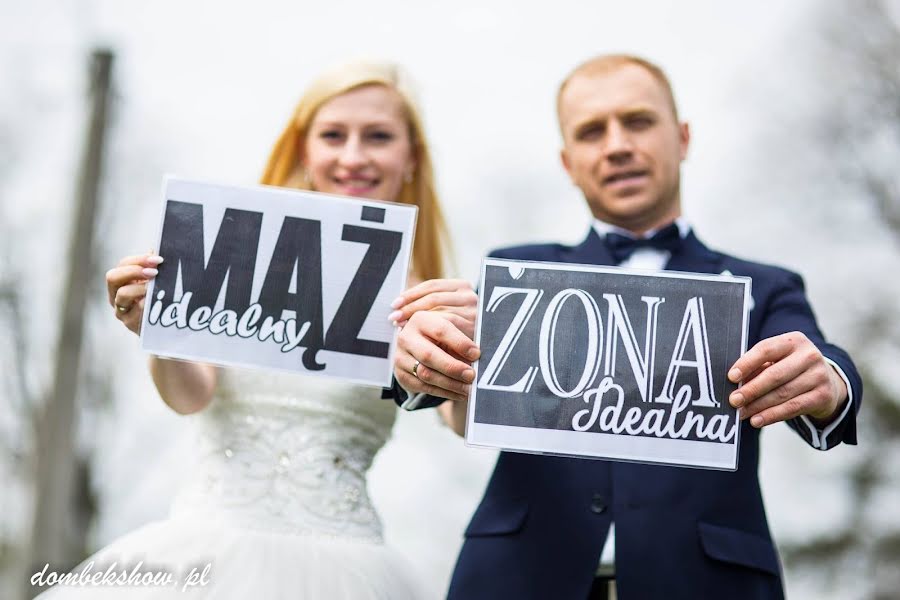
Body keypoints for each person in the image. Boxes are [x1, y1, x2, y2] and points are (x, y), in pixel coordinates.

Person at [388, 54, 862, 600]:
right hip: (518, 577)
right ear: (568, 163)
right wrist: (426, 363)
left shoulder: (765, 286)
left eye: (637, 121)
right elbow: (461, 405)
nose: (616, 145)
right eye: (592, 131)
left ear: (682, 137)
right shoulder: (518, 271)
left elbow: (823, 364)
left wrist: (828, 380)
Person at [39, 60, 450, 599]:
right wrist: (158, 331)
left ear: (411, 155)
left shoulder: (424, 296)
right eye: (333, 135)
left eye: (377, 136)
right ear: (305, 149)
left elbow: (458, 417)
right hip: (204, 554)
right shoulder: (242, 249)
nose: (353, 156)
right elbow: (190, 397)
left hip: (350, 569)